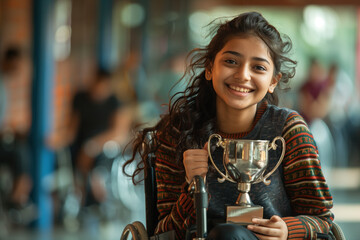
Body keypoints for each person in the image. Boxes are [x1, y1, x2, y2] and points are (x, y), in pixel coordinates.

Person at [123, 12, 334, 240]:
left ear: (273, 81)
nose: (243, 75)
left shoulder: (288, 131)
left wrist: (288, 230)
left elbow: (321, 219)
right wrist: (191, 187)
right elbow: (163, 233)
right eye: (231, 62)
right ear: (210, 68)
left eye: (259, 68)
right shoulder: (177, 132)